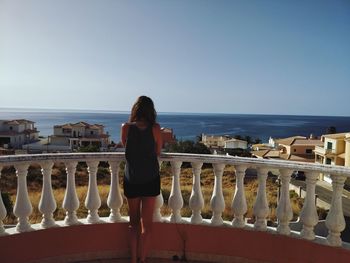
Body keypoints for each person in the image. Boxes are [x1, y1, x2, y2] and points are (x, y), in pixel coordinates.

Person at [121, 96, 162, 263]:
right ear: (151, 111)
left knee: (133, 224)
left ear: (135, 110)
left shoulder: (125, 128)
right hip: (151, 179)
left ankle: (132, 260)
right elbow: (158, 151)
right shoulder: (156, 128)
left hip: (132, 179)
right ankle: (142, 260)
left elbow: (126, 147)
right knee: (147, 226)